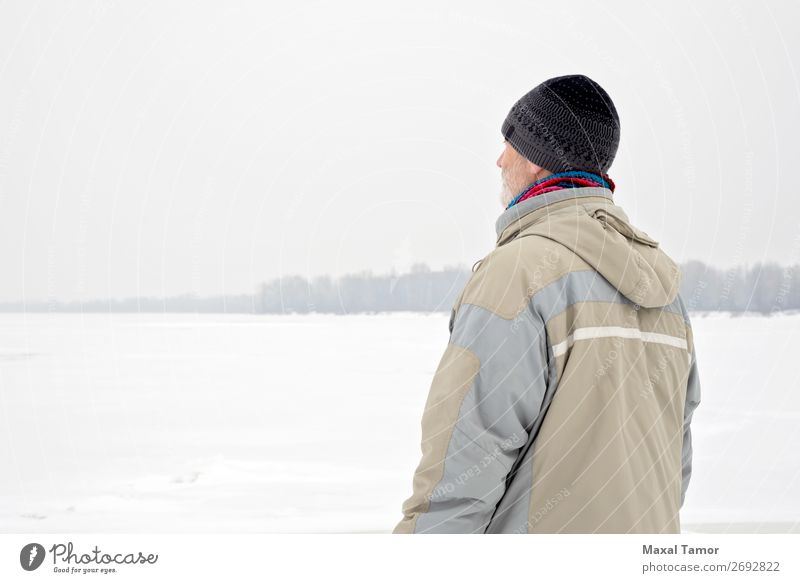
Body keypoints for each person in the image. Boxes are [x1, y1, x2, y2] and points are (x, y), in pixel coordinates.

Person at [393, 74, 701, 534]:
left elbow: (461, 474)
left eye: (510, 143)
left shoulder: (518, 274)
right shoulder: (664, 286)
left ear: (539, 159)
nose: (499, 158)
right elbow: (672, 468)